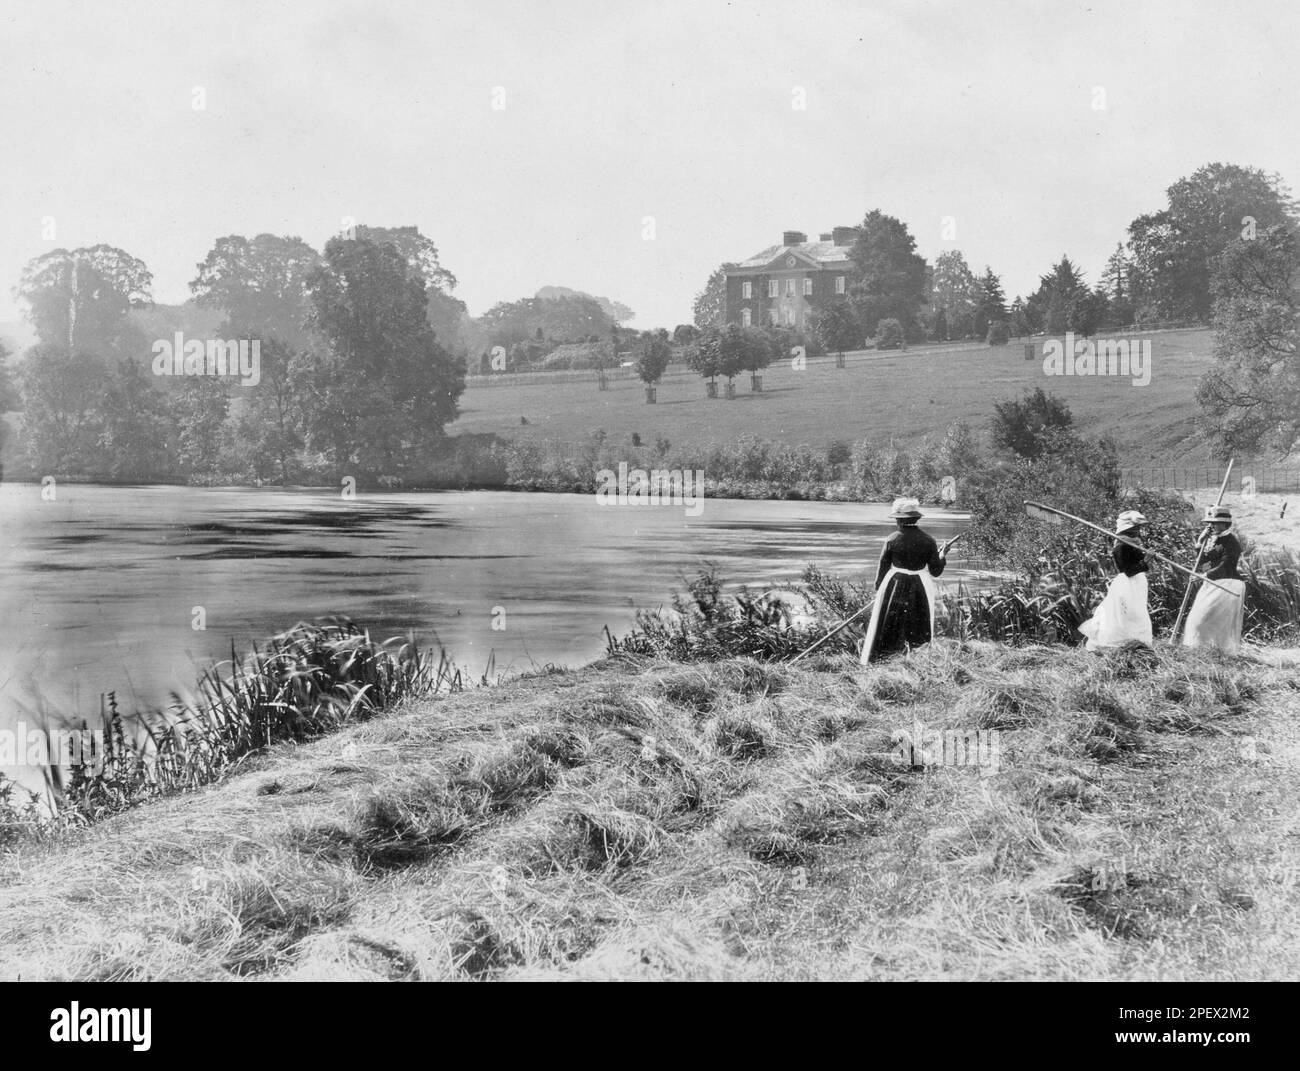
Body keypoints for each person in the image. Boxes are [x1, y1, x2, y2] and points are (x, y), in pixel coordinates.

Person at [860, 497, 949, 663]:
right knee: (917, 623)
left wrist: (879, 592)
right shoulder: (929, 540)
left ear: (899, 520)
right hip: (920, 586)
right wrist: (942, 556)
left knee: (889, 622)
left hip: (895, 584)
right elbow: (935, 571)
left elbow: (882, 568)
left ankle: (884, 660)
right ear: (916, 519)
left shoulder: (892, 539)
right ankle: (918, 660)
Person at [1078, 509, 1154, 650]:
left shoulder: (1133, 543)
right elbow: (1128, 571)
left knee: (1138, 615)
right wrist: (1146, 560)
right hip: (1127, 586)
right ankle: (1119, 645)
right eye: (1136, 528)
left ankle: (1137, 645)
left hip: (1137, 585)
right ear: (1129, 529)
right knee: (1125, 616)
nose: (1139, 530)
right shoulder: (1120, 547)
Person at [1182, 505, 1245, 653]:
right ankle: (1200, 651)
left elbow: (1226, 566)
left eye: (1215, 523)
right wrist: (1199, 542)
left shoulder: (1231, 542)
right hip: (1212, 583)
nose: (1211, 526)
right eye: (1209, 523)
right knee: (1196, 620)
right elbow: (1203, 562)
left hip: (1228, 585)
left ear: (1225, 524)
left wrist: (1204, 576)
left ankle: (1220, 654)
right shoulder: (1212, 540)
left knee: (1215, 622)